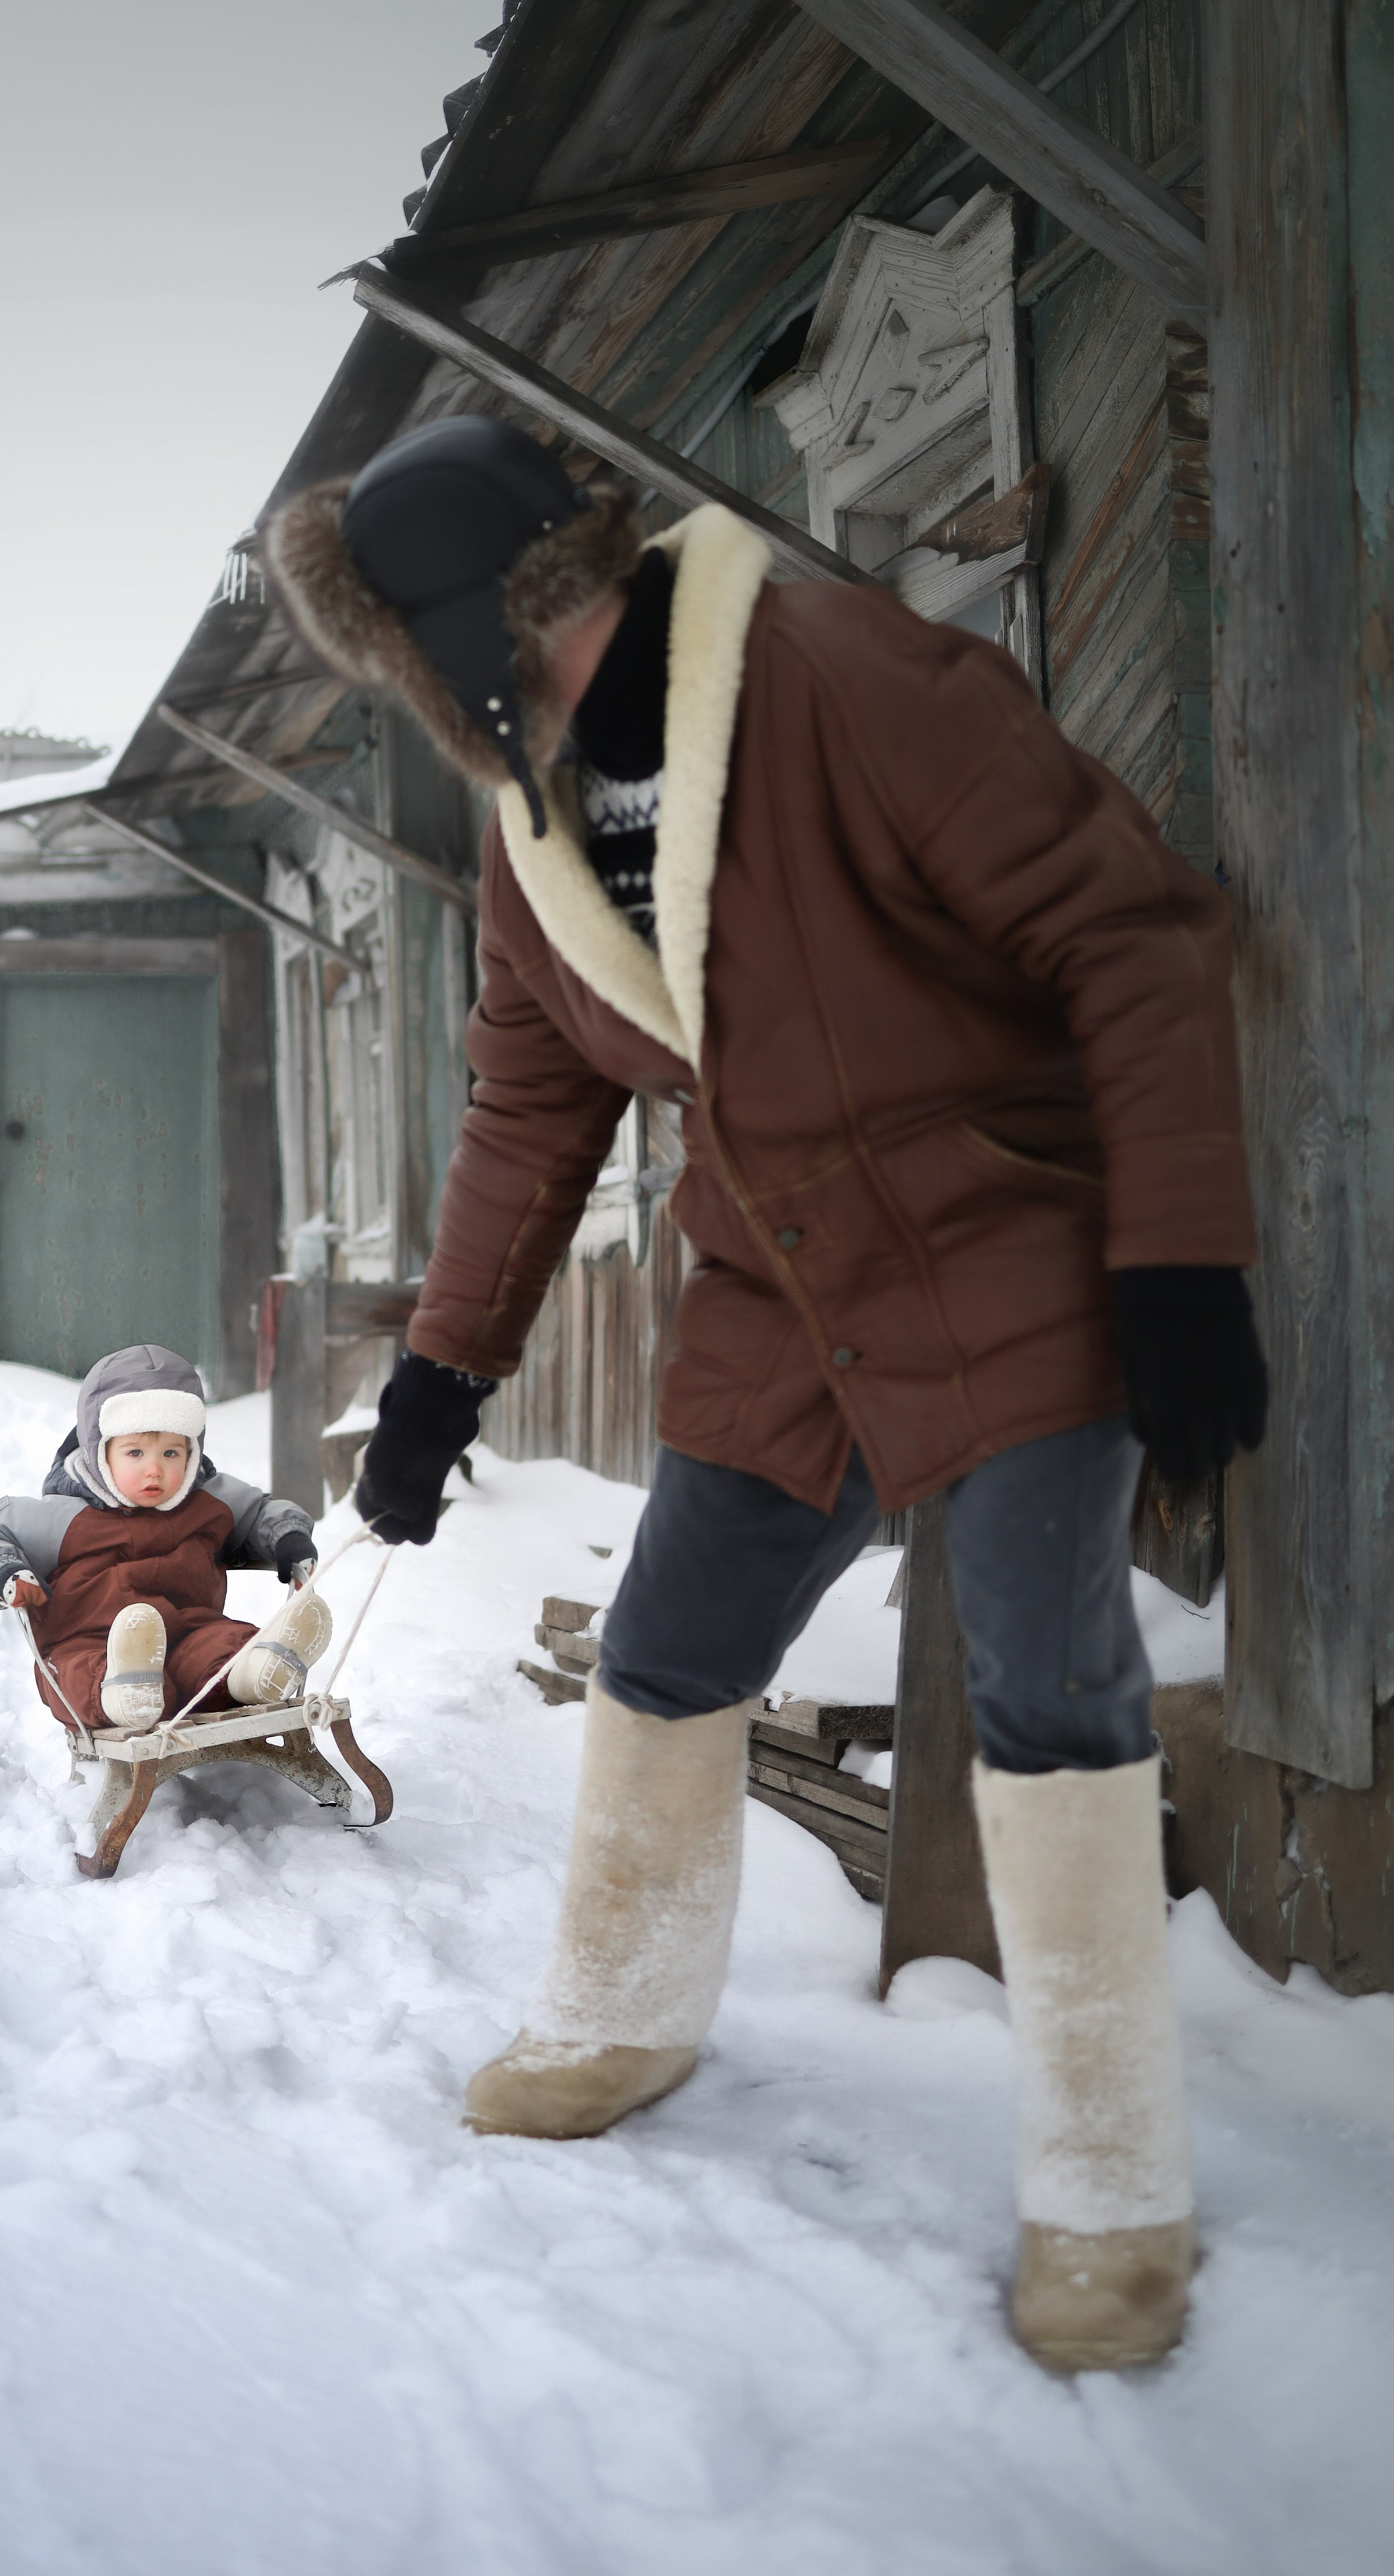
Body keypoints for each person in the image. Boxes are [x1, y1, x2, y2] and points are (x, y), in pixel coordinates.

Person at [267, 415, 1269, 2373]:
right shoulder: (536, 827)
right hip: (775, 1285)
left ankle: (1109, 2189)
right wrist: (441, 1376)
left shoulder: (840, 675)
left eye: (405, 660)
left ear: (468, 632)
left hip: (999, 1234)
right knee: (663, 1652)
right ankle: (618, 2017)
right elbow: (530, 1108)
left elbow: (1128, 931)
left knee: (1048, 1689)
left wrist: (1174, 1258)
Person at [0, 1344, 321, 1730]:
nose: (154, 1470)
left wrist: (288, 1536)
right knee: (79, 1670)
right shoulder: (62, 1516)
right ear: (99, 1451)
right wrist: (5, 1572)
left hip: (190, 1633)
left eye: (171, 1454)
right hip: (87, 1641)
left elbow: (262, 1512)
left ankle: (258, 1669)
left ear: (192, 1451)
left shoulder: (209, 1502)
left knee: (224, 1643)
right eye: (135, 1453)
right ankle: (124, 1691)